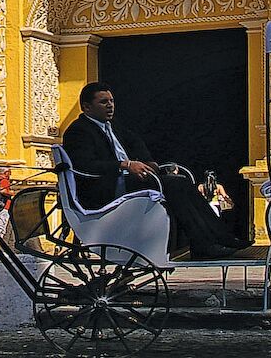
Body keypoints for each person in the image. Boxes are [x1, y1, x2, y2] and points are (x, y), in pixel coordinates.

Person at [62, 82, 243, 260]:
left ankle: (221, 238)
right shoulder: (78, 131)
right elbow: (84, 165)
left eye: (112, 101)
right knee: (175, 185)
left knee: (182, 182)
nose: (110, 105)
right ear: (87, 107)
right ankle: (203, 245)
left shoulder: (113, 125)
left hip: (128, 180)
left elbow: (135, 142)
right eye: (103, 102)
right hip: (106, 187)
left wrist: (149, 162)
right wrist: (124, 165)